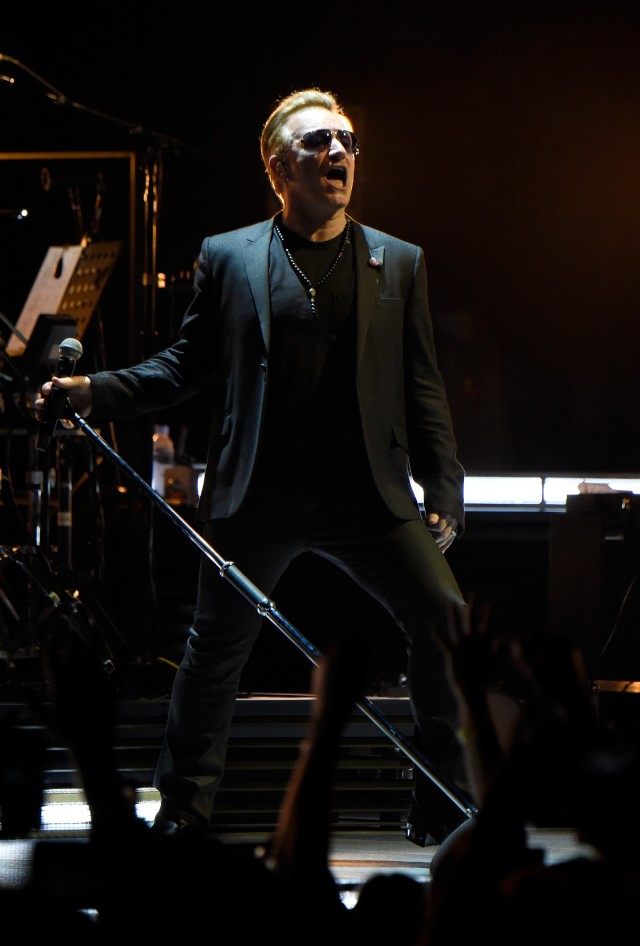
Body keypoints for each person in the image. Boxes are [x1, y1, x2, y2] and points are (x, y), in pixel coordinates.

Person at [36, 87, 471, 847]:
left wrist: (445, 481)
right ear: (279, 168)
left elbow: (420, 379)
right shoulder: (229, 256)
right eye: (318, 144)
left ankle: (443, 797)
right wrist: (91, 391)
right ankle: (181, 811)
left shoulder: (397, 260)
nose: (339, 154)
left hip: (365, 491)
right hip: (260, 489)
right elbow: (181, 368)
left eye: (347, 141)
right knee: (214, 652)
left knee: (444, 618)